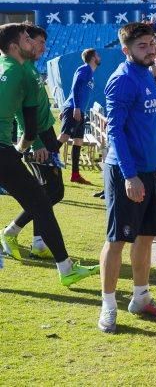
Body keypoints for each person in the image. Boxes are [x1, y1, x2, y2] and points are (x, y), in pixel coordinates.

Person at [0, 23, 99, 285]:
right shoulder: (25, 74)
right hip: (21, 146)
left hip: (21, 145)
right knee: (45, 199)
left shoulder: (9, 66)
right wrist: (25, 148)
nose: (35, 45)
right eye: (28, 39)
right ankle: (61, 265)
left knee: (46, 196)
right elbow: (29, 125)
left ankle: (39, 246)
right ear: (15, 46)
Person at [98, 23, 156, 334]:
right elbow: (114, 130)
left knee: (145, 236)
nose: (151, 49)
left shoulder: (146, 73)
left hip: (147, 168)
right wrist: (130, 176)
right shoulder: (121, 80)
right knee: (117, 240)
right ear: (126, 50)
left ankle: (140, 298)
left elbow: (149, 119)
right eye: (142, 46)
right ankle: (108, 306)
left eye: (152, 44)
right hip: (124, 171)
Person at [2, 25, 65, 260]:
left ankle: (37, 240)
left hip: (45, 133)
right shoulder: (21, 68)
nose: (42, 47)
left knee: (50, 189)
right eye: (37, 41)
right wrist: (36, 142)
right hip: (36, 136)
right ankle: (13, 231)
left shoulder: (30, 67)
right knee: (49, 190)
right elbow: (20, 111)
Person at [59, 47, 101, 184]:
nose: (100, 57)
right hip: (74, 108)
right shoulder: (84, 69)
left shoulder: (91, 73)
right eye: (98, 55)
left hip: (79, 110)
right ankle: (47, 157)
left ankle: (75, 175)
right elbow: (75, 87)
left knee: (78, 141)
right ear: (93, 58)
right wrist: (75, 107)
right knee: (64, 136)